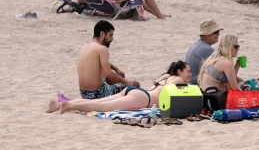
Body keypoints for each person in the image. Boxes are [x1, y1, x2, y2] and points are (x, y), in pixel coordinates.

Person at [47, 61, 191, 114]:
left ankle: (60, 104)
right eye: (188, 71)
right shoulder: (178, 79)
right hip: (143, 99)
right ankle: (69, 106)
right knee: (103, 107)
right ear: (179, 71)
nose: (190, 75)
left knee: (100, 102)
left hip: (138, 93)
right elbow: (170, 93)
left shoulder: (164, 77)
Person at [76, 21, 139, 99]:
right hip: (98, 93)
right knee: (135, 85)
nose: (112, 39)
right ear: (102, 34)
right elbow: (109, 75)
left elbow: (98, 62)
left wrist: (116, 69)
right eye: (110, 35)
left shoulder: (84, 47)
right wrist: (127, 83)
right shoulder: (102, 49)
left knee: (108, 78)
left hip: (84, 93)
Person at [185, 19, 222, 84]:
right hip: (197, 86)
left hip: (191, 83)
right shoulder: (206, 49)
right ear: (206, 35)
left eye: (218, 31)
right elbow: (222, 73)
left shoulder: (196, 45)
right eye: (216, 32)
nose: (218, 34)